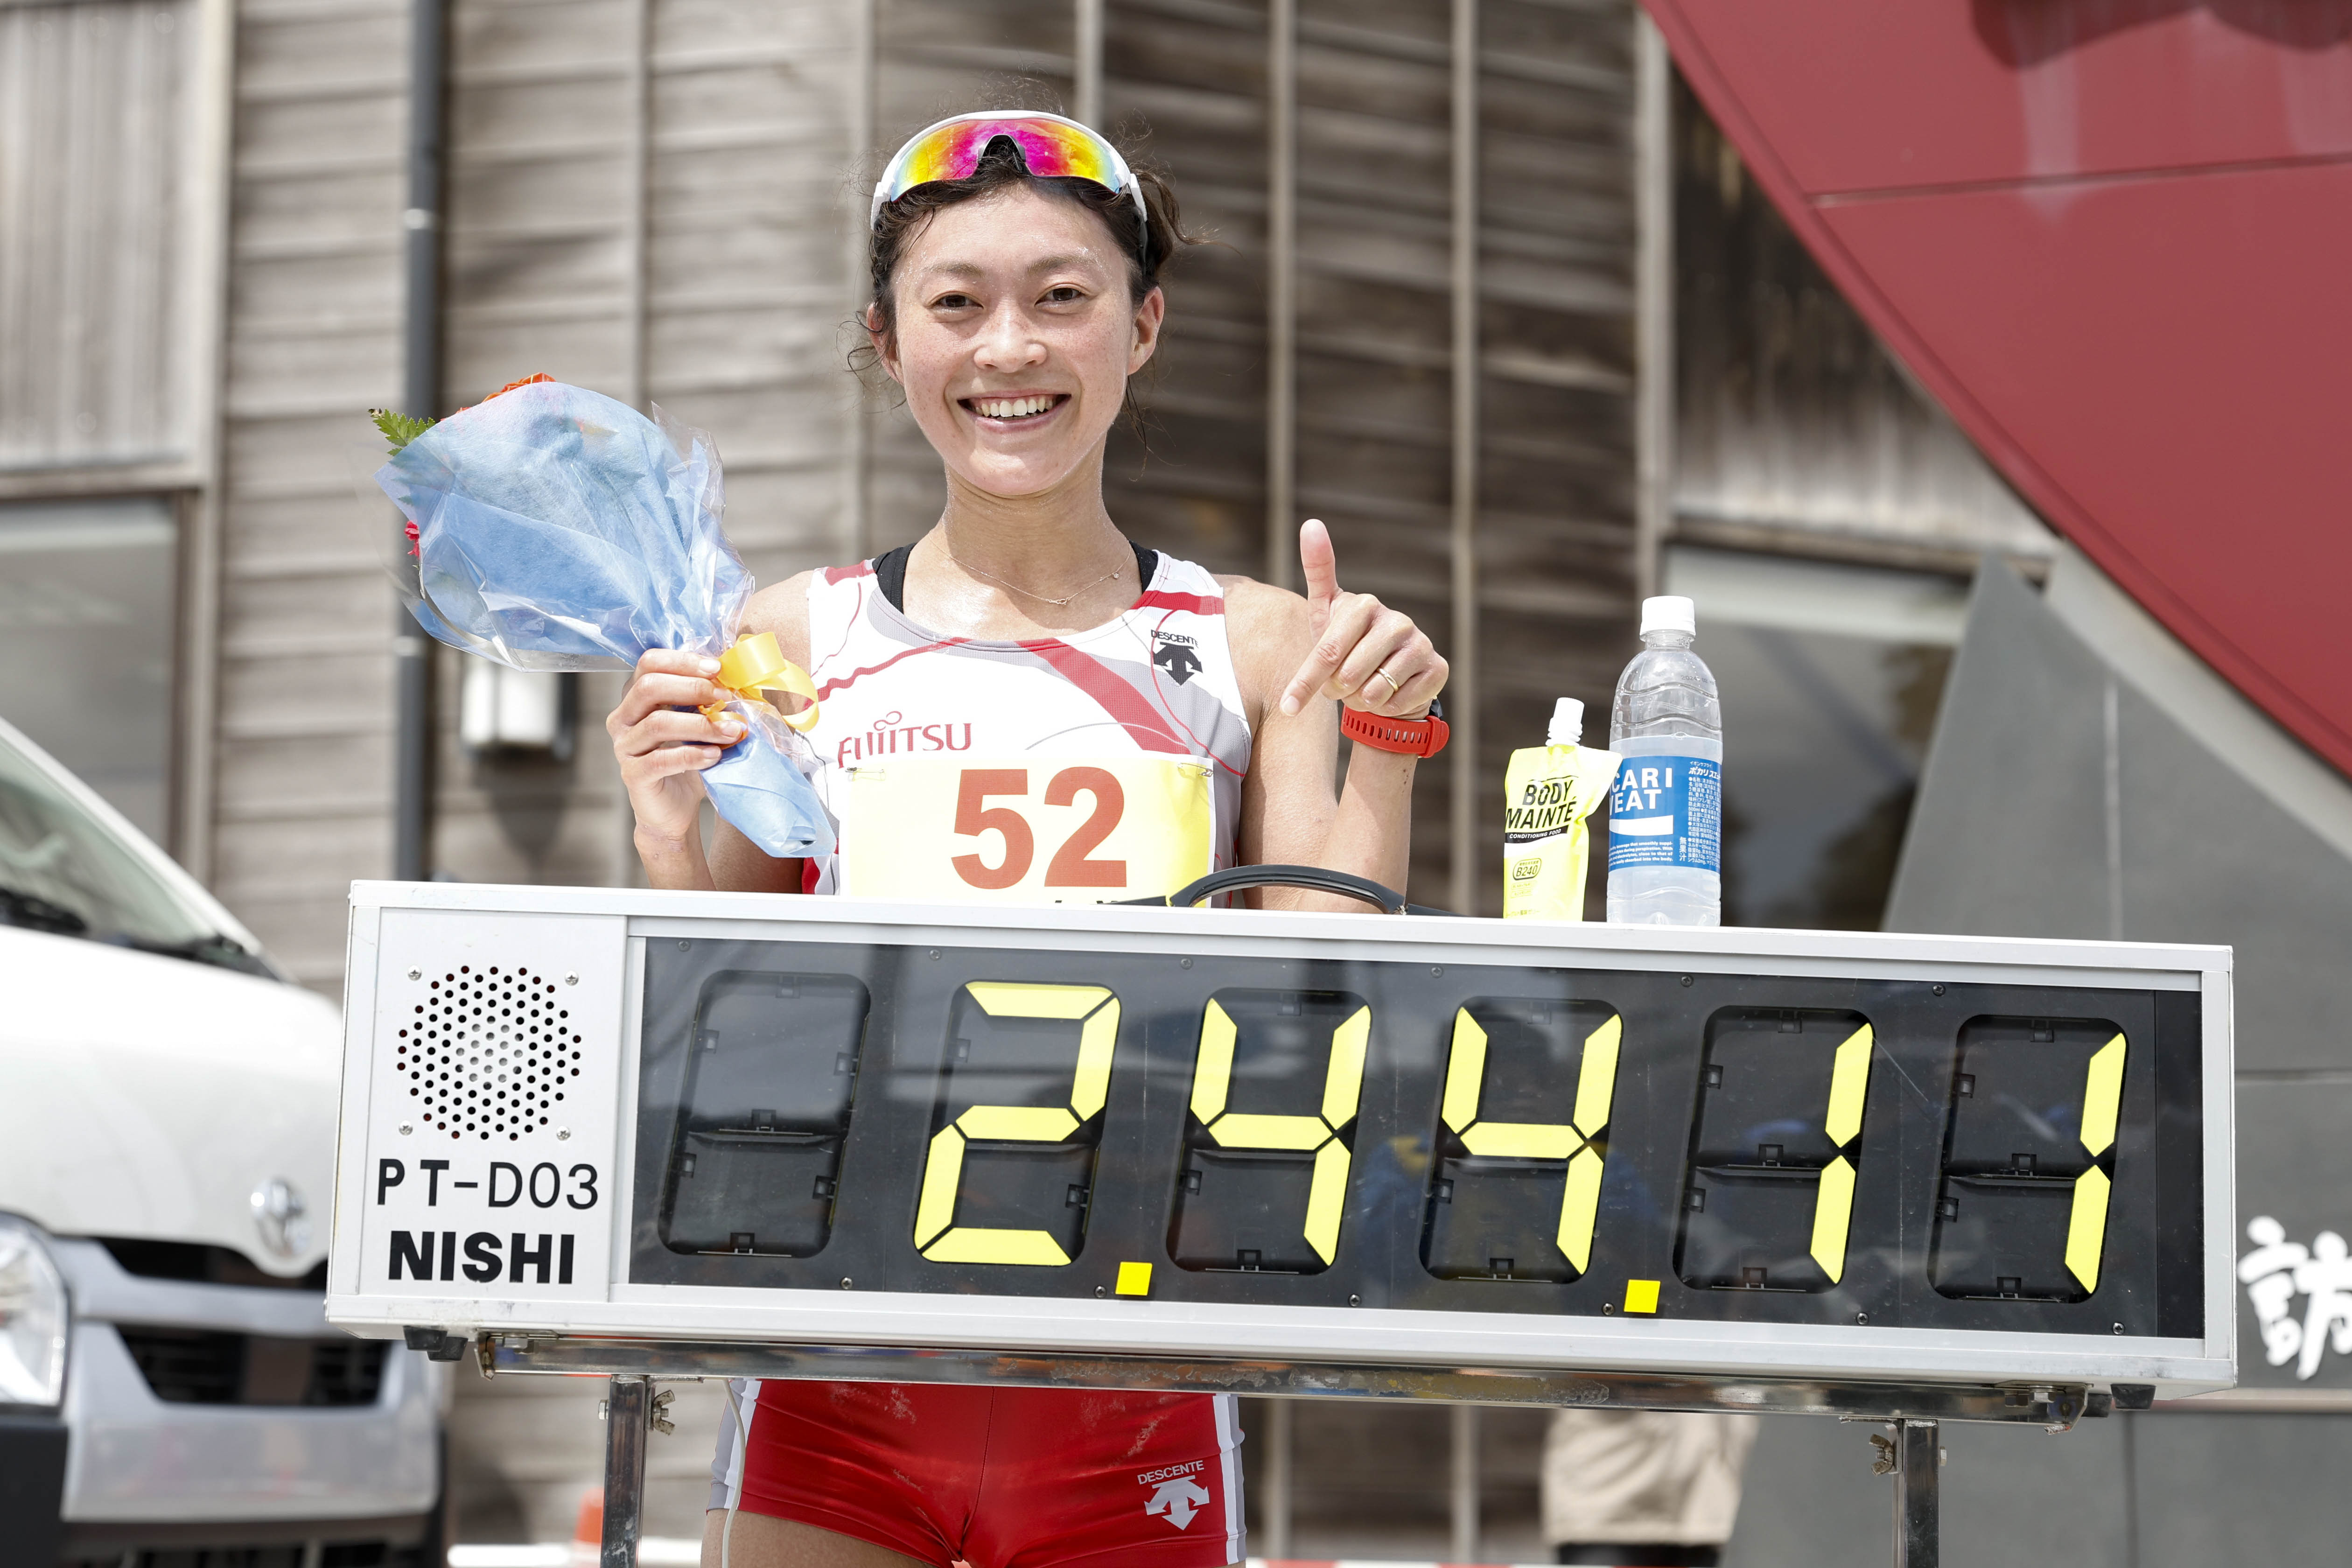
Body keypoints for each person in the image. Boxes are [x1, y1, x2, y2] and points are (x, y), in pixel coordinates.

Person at [604, 110, 1451, 1568]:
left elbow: (1332, 993)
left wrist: (1382, 729)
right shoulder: (788, 639)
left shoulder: (1257, 642)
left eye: (1064, 297)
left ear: (1144, 327)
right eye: (957, 303)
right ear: (886, 339)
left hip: (1136, 1380)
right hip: (838, 1371)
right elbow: (713, 1012)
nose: (1011, 349)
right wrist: (665, 827)